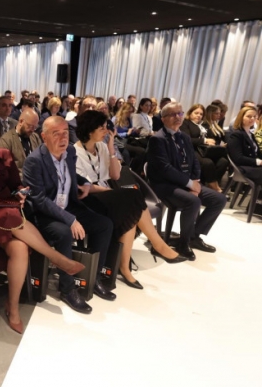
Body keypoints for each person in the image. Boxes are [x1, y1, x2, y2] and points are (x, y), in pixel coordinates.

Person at [0, 111, 83, 332]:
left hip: (2, 211)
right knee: (10, 215)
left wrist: (20, 193)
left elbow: (16, 185)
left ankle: (13, 306)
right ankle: (54, 255)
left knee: (19, 247)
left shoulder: (3, 156)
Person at [75, 111, 185, 289]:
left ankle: (125, 268)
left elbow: (115, 175)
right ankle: (157, 245)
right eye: (101, 128)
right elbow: (85, 187)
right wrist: (112, 192)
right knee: (132, 197)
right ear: (89, 130)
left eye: (106, 127)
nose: (106, 131)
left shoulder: (101, 147)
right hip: (90, 198)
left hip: (108, 195)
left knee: (131, 210)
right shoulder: (75, 152)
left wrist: (111, 149)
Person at [23, 116, 116, 314]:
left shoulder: (70, 152)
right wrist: (70, 219)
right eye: (56, 134)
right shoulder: (34, 161)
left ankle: (93, 278)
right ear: (44, 137)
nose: (63, 138)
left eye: (65, 132)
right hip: (44, 214)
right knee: (64, 232)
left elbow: (72, 174)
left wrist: (86, 183)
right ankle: (67, 289)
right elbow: (39, 199)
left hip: (68, 205)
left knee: (104, 224)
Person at [146, 102, 227, 261]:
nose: (178, 117)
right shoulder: (157, 139)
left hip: (186, 182)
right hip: (164, 185)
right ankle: (183, 244)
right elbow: (165, 169)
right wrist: (190, 184)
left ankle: (193, 236)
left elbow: (194, 161)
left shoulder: (184, 136)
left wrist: (195, 181)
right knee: (192, 201)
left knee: (219, 199)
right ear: (163, 119)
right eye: (173, 114)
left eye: (180, 113)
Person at [180, 104, 227, 192]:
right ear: (190, 113)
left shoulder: (200, 125)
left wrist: (211, 142)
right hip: (191, 150)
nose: (198, 115)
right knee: (208, 163)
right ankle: (216, 188)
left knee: (223, 161)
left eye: (201, 114)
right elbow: (187, 140)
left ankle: (211, 184)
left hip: (203, 150)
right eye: (196, 113)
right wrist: (204, 140)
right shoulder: (185, 123)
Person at [0, 109, 40, 178]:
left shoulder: (35, 137)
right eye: (30, 126)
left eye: (35, 127)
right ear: (21, 121)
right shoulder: (6, 140)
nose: (32, 130)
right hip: (18, 180)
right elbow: (4, 168)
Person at [227, 106, 262, 187]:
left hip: (252, 167)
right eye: (249, 116)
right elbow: (238, 158)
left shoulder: (251, 135)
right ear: (241, 117)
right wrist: (258, 162)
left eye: (254, 116)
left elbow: (257, 154)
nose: (252, 118)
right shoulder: (236, 135)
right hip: (243, 168)